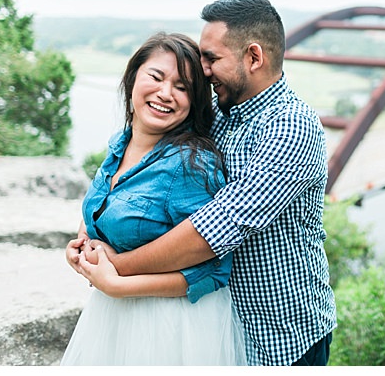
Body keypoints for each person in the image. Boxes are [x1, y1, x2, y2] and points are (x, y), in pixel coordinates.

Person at [82, 0, 337, 366]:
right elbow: (136, 163)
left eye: (211, 58)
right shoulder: (215, 110)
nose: (202, 70)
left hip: (278, 335)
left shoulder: (290, 125)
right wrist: (91, 239)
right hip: (208, 323)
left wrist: (116, 268)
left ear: (253, 57)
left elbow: (213, 230)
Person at [62, 32, 247, 365]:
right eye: (156, 77)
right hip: (112, 317)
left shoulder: (191, 164)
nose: (165, 93)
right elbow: (103, 210)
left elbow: (214, 272)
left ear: (194, 102)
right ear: (133, 78)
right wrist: (83, 245)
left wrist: (118, 284)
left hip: (167, 329)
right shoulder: (122, 143)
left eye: (182, 87)